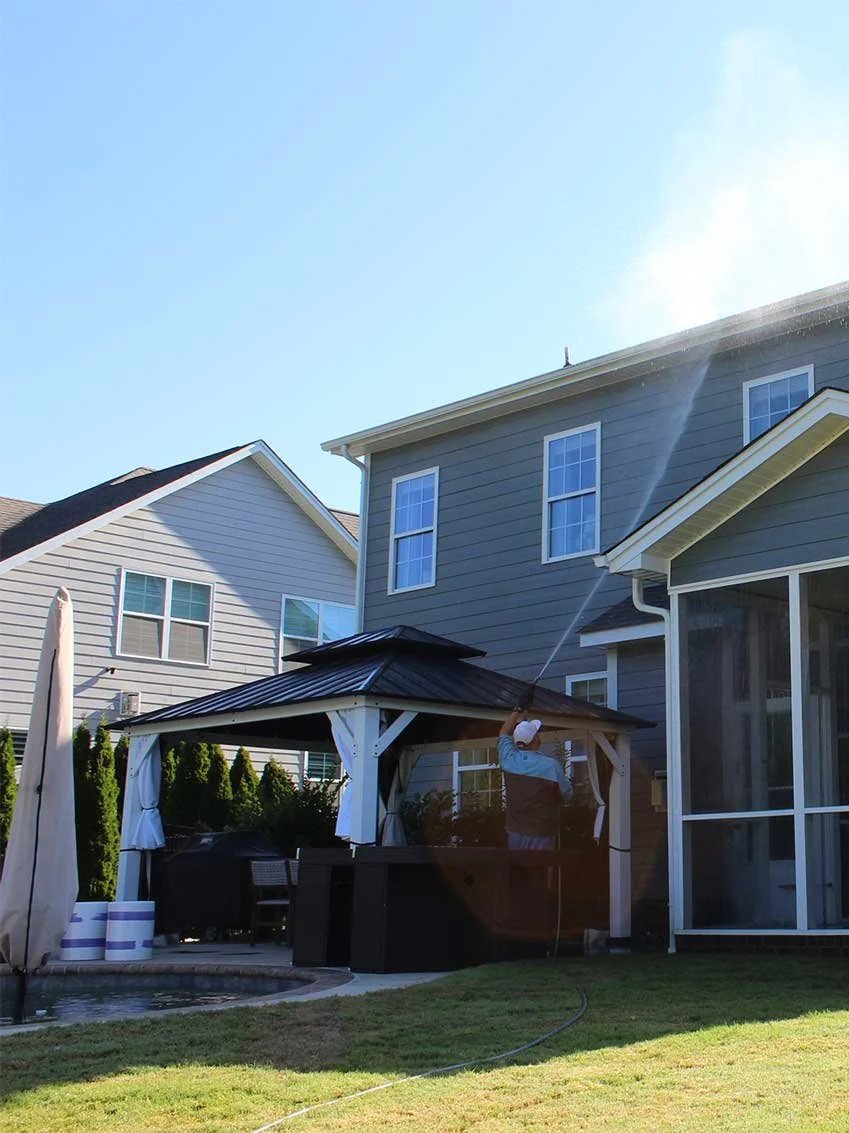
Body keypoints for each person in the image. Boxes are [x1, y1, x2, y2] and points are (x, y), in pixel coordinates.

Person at [498, 709, 573, 850]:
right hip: (542, 834)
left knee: (517, 870)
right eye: (536, 734)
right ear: (535, 740)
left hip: (515, 833)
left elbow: (503, 732)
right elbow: (567, 795)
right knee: (541, 870)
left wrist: (517, 710)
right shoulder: (551, 766)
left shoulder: (508, 759)